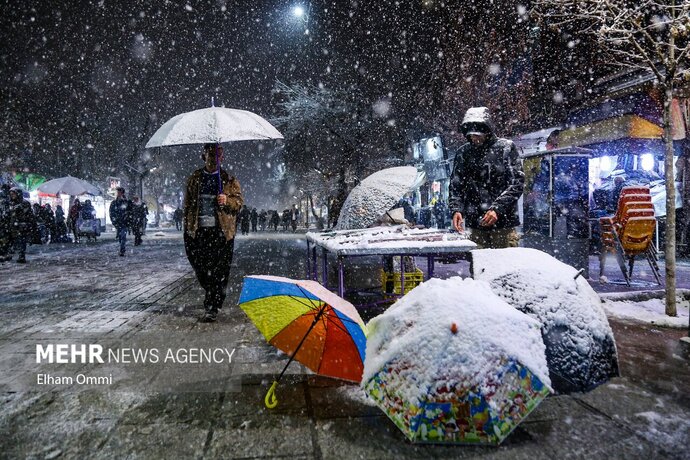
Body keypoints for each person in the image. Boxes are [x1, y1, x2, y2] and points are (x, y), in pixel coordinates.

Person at [449, 106, 524, 249]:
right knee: (479, 267)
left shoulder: (506, 148)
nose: (474, 138)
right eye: (471, 135)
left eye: (477, 134)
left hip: (504, 226)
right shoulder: (463, 153)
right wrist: (457, 209)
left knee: (505, 267)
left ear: (487, 131)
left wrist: (497, 208)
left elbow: (517, 183)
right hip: (476, 225)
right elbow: (455, 186)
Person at [183, 143, 243, 323]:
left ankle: (212, 305)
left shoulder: (229, 179)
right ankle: (211, 290)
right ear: (204, 157)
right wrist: (188, 225)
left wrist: (227, 200)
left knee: (220, 271)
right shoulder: (195, 178)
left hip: (221, 232)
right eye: (210, 155)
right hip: (198, 231)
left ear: (222, 158)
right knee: (201, 268)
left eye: (217, 156)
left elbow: (239, 203)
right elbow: (187, 204)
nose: (213, 159)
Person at [8, 187, 35, 263]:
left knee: (21, 241)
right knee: (11, 240)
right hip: (12, 225)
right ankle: (9, 254)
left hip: (21, 226)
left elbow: (27, 214)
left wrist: (21, 219)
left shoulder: (24, 203)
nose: (12, 195)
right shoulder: (11, 203)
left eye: (13, 194)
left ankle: (21, 256)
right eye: (11, 194)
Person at [109, 187, 132, 256]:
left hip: (124, 222)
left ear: (122, 193)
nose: (118, 194)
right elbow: (111, 212)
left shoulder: (126, 202)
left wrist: (128, 219)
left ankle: (122, 250)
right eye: (117, 192)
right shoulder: (114, 202)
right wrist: (114, 221)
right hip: (118, 223)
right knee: (120, 237)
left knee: (123, 236)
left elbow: (130, 211)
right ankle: (122, 248)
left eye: (119, 192)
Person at [0, 184, 11, 262]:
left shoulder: (9, 198)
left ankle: (4, 253)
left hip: (6, 222)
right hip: (4, 222)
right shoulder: (7, 198)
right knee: (4, 238)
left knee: (5, 239)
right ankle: (3, 254)